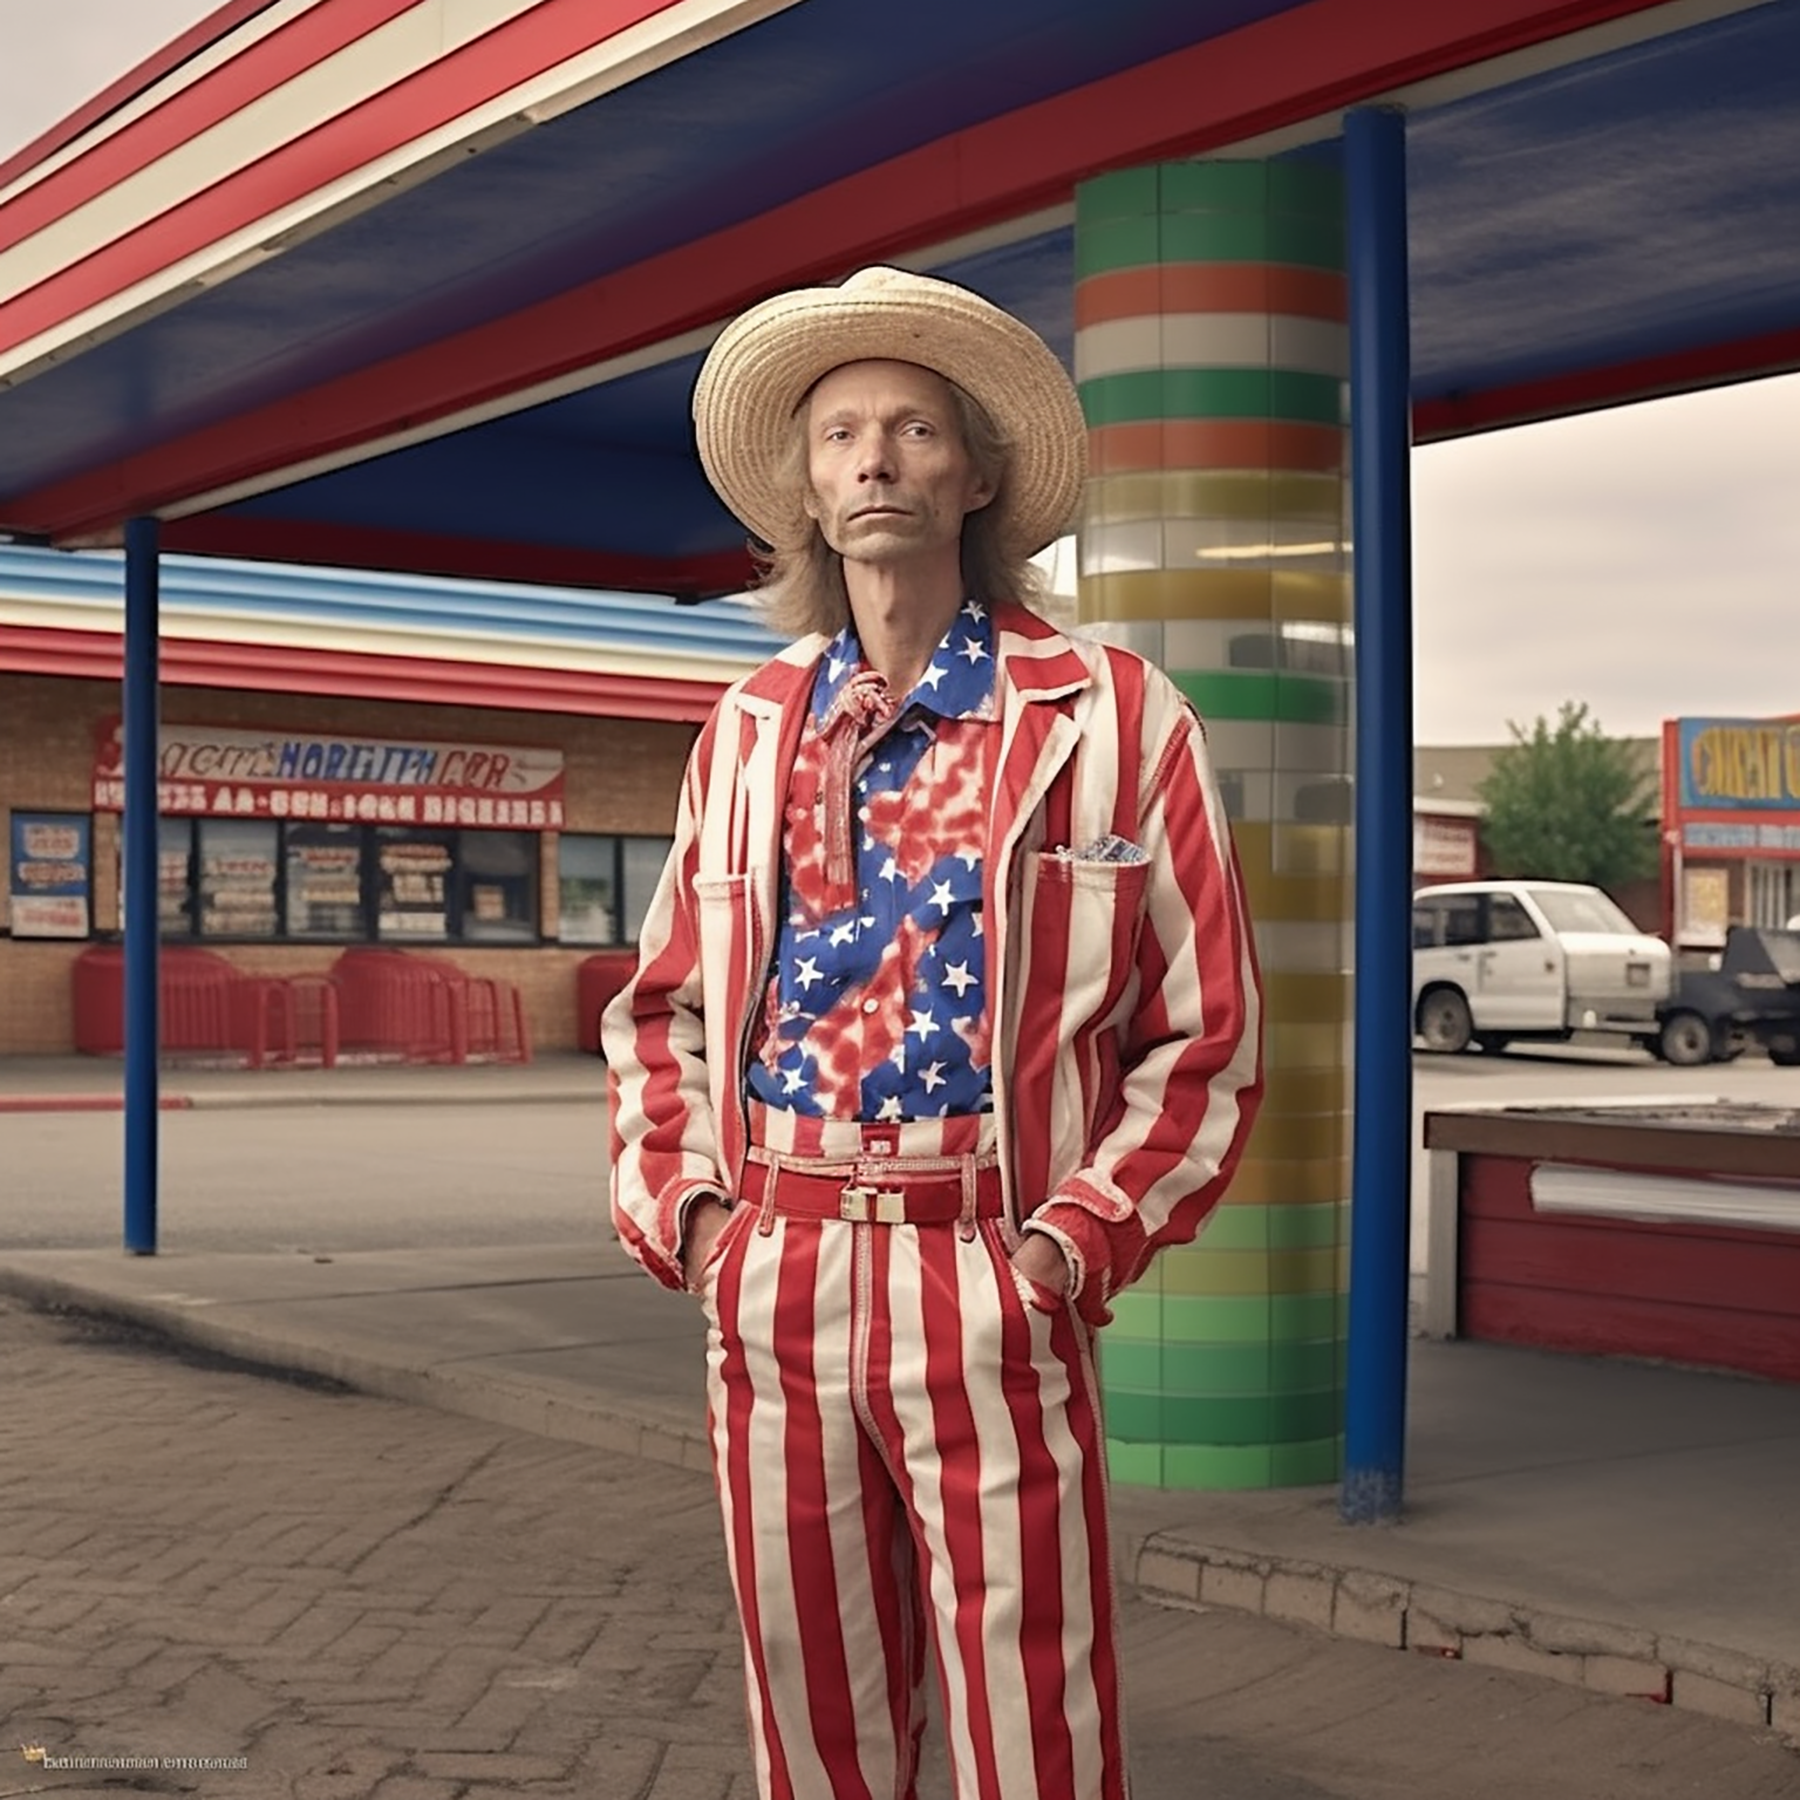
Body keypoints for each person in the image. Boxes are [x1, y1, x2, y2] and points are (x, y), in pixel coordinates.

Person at [604, 266, 1263, 1800]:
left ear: (976, 475)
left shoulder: (1111, 716)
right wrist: (694, 1224)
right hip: (774, 1261)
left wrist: (1066, 1253)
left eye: (912, 428)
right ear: (811, 494)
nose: (876, 458)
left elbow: (1205, 1039)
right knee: (809, 1708)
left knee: (1037, 1719)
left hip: (988, 1262)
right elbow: (666, 1011)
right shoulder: (751, 726)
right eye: (841, 436)